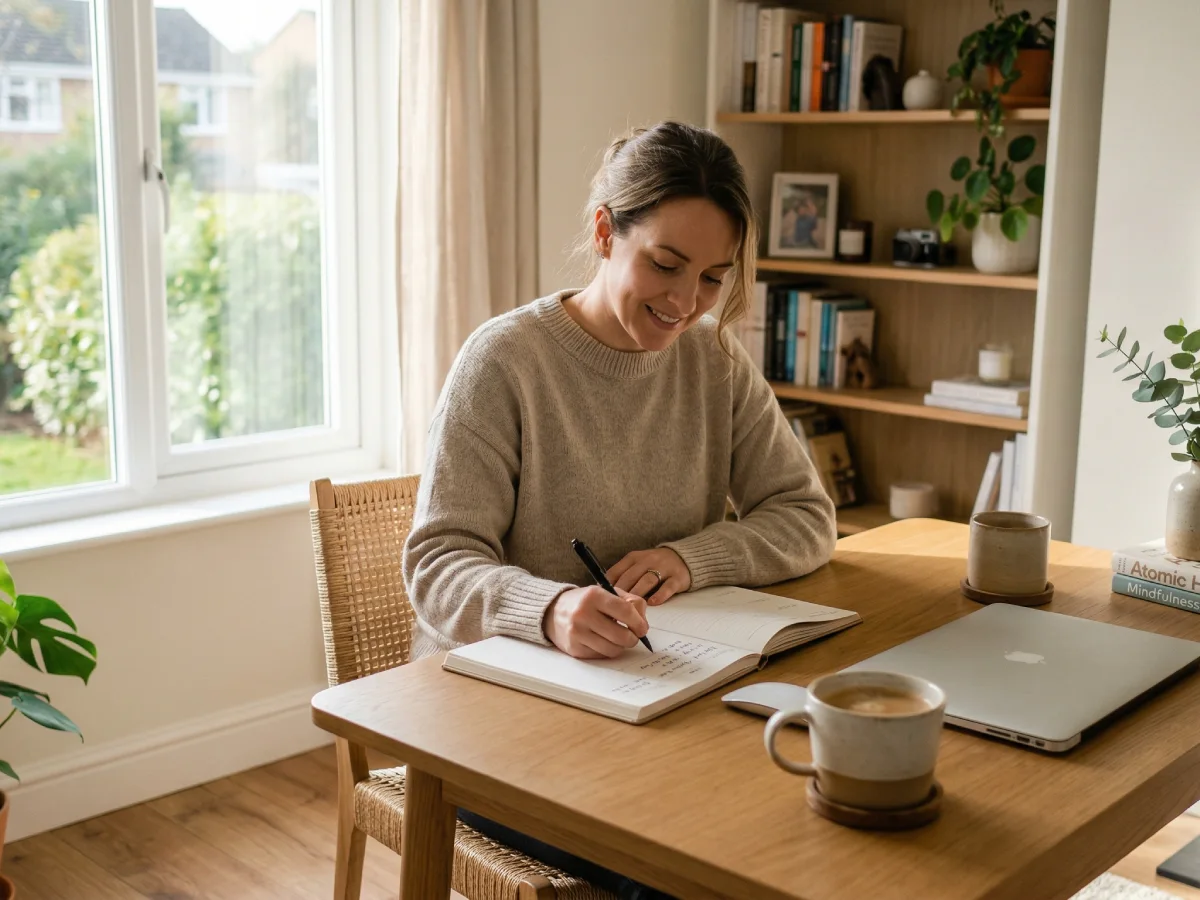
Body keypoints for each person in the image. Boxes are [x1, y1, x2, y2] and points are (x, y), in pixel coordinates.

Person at [402, 121, 837, 899]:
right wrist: (551, 608)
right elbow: (436, 567)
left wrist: (689, 557)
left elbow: (805, 514)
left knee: (801, 828)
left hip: (658, 708)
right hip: (498, 728)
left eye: (711, 277)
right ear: (606, 232)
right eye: (665, 265)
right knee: (688, 871)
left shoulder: (711, 360)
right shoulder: (504, 362)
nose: (684, 303)